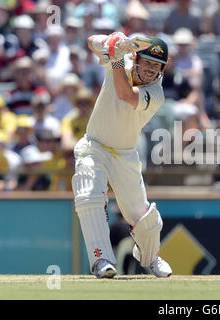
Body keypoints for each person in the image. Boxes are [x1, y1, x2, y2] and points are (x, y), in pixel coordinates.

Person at [72, 32, 172, 278]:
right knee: (88, 195)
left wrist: (116, 57)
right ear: (136, 58)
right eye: (147, 62)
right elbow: (90, 41)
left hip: (125, 154)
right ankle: (101, 260)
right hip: (94, 145)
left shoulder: (156, 94)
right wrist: (113, 42)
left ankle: (150, 258)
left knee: (143, 217)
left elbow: (125, 94)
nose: (150, 70)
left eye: (156, 66)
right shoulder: (122, 59)